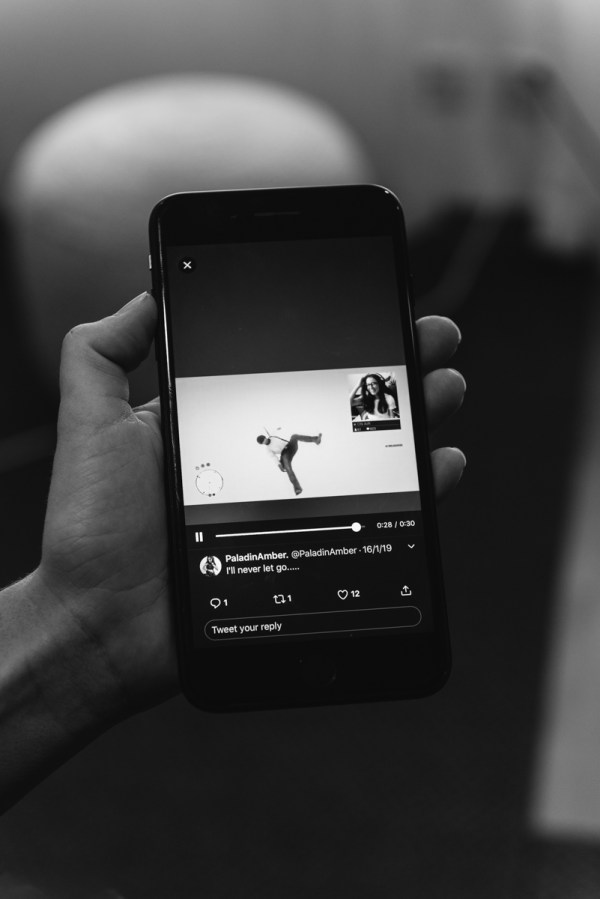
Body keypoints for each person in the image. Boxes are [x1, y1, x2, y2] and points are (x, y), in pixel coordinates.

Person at [0, 291, 466, 814]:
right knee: (296, 467)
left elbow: (284, 437)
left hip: (294, 448)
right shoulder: (269, 446)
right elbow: (275, 445)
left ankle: (303, 468)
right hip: (287, 459)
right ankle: (299, 477)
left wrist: (75, 625)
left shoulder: (277, 438)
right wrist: (79, 622)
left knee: (306, 457)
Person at [257, 428, 322, 495]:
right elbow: (273, 457)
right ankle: (297, 488)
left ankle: (315, 440)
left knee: (294, 436)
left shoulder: (272, 436)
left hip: (290, 446)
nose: (265, 441)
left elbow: (275, 431)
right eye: (263, 442)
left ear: (265, 437)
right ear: (262, 444)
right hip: (285, 454)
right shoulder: (268, 449)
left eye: (264, 439)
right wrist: (279, 465)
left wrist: (278, 428)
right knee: (287, 467)